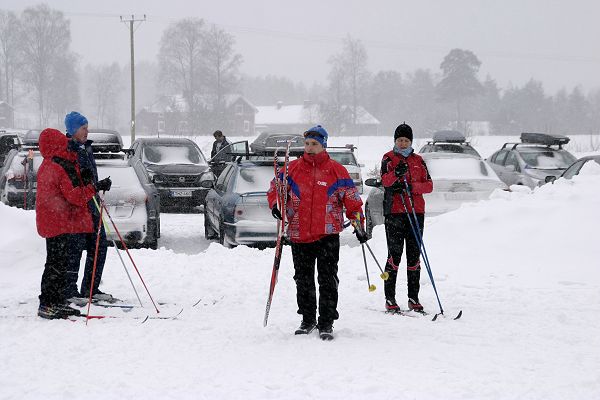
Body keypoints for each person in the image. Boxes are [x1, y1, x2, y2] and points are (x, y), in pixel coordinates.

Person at [267, 125, 367, 340]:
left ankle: (327, 321)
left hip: (327, 234)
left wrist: (359, 224)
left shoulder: (336, 170)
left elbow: (352, 201)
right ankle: (308, 319)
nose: (310, 148)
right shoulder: (291, 169)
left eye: (315, 144)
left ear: (323, 145)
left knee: (328, 279)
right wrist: (276, 204)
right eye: (307, 144)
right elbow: (275, 188)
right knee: (303, 279)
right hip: (298, 232)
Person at [36, 128, 97, 319]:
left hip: (53, 221)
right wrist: (93, 188)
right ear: (56, 144)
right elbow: (75, 197)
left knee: (58, 263)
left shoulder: (48, 164)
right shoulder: (58, 166)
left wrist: (84, 182)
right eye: (62, 142)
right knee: (56, 264)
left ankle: (56, 301)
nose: (66, 144)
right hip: (56, 222)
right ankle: (47, 303)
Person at [380, 123, 433, 313]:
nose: (403, 143)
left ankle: (413, 298)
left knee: (414, 256)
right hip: (395, 212)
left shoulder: (419, 160)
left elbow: (429, 185)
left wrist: (412, 187)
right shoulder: (388, 158)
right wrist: (396, 174)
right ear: (395, 141)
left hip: (415, 212)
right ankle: (390, 298)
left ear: (411, 141)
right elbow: (384, 181)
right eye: (400, 140)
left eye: (406, 140)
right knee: (394, 256)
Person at [63, 111, 114, 304]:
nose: (87, 131)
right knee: (74, 249)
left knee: (100, 246)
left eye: (87, 127)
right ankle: (70, 290)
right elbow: (69, 181)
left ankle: (90, 288)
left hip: (92, 205)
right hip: (76, 208)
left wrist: (98, 185)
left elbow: (88, 177)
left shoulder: (86, 148)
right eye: (84, 128)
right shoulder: (68, 149)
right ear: (74, 129)